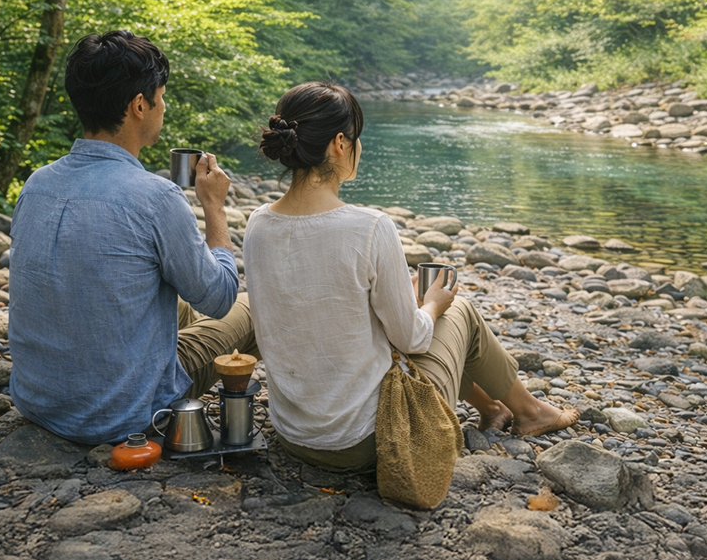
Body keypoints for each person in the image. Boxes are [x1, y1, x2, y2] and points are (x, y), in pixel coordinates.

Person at [242, 81, 579, 473]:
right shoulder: (369, 226)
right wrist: (433, 304)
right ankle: (531, 412)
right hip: (369, 441)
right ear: (339, 143)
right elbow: (411, 339)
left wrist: (405, 301)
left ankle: (493, 409)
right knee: (460, 312)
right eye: (356, 138)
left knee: (414, 319)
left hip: (294, 435)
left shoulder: (257, 224)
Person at [8, 30, 257, 446]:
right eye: (162, 97)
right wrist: (214, 206)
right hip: (122, 412)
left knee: (168, 294)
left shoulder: (36, 184)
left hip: (37, 402)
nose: (164, 106)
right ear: (139, 105)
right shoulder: (155, 196)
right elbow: (219, 298)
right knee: (249, 308)